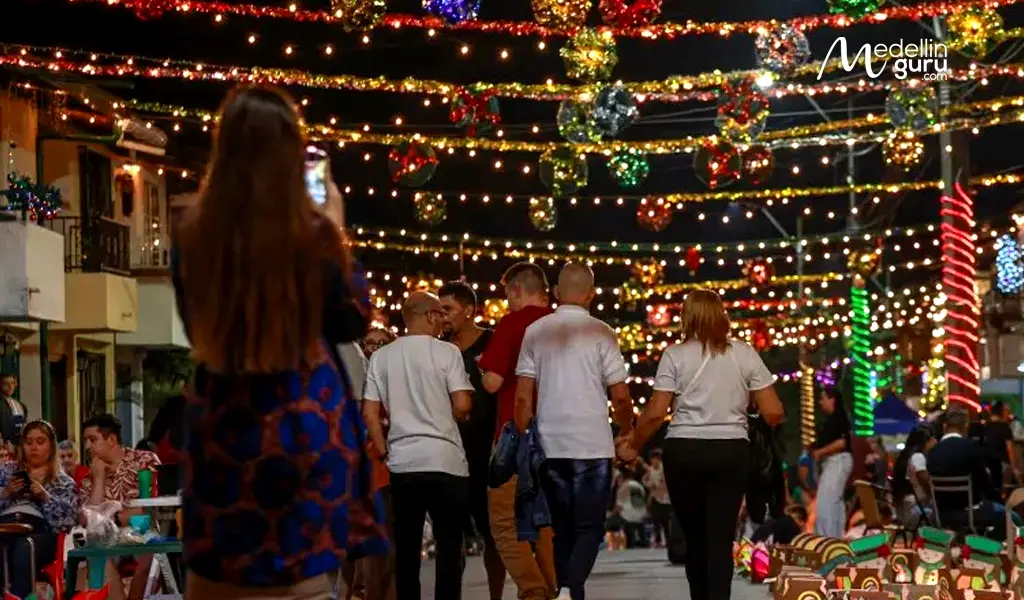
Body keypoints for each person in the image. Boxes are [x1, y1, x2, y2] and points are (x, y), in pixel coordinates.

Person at [173, 85, 384, 599]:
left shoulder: (193, 234)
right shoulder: (310, 233)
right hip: (302, 419)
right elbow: (352, 319)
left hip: (224, 422)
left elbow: (191, 319)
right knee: (303, 578)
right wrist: (336, 230)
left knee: (221, 576)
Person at [617, 289, 783, 600]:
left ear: (687, 317)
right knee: (720, 539)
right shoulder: (745, 353)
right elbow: (774, 411)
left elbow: (655, 413)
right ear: (722, 315)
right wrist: (742, 406)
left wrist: (634, 444)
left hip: (685, 451)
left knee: (695, 537)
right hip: (731, 451)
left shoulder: (674, 355)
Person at [513, 263, 635, 600]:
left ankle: (568, 592)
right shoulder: (602, 332)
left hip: (550, 446)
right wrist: (628, 430)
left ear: (555, 292)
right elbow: (621, 396)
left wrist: (523, 441)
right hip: (592, 445)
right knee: (590, 526)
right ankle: (569, 587)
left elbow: (523, 397)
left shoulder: (536, 331)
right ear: (591, 294)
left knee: (562, 531)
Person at [363, 291, 474, 600]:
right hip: (446, 460)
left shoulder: (382, 357)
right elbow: (463, 403)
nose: (443, 320)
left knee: (407, 550)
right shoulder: (447, 353)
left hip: (403, 463)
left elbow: (370, 413)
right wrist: (446, 417)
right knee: (450, 548)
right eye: (439, 314)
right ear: (428, 316)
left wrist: (384, 449)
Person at [478, 263, 556, 600]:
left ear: (517, 290)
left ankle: (533, 589)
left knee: (505, 524)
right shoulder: (562, 324)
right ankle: (555, 587)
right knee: (547, 523)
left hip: (516, 438)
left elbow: (493, 383)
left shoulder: (512, 325)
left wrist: (482, 368)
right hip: (560, 438)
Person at [438, 280, 505, 600]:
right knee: (451, 537)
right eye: (439, 310)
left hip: (486, 454)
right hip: (449, 454)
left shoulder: (493, 343)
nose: (443, 317)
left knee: (494, 536)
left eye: (448, 309)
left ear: (469, 311)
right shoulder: (438, 348)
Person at [80, 413, 161, 600]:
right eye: (85, 441)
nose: (87, 447)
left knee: (149, 555)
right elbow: (87, 520)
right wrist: (98, 479)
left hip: (145, 532)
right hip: (106, 539)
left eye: (92, 440)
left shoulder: (144, 461)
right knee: (96, 554)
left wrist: (114, 518)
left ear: (111, 439)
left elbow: (154, 507)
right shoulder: (88, 477)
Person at [0, 420, 78, 598]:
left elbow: (66, 522)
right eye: (28, 442)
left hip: (39, 532)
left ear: (51, 446)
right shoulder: (5, 472)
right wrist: (5, 493)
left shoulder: (63, 481)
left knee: (25, 547)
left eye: (40, 442)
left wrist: (45, 497)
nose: (33, 447)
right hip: (4, 526)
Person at [927, 409, 1005, 538]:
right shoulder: (971, 448)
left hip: (942, 514)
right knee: (1007, 515)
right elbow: (985, 485)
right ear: (965, 427)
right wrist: (1000, 501)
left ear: (945, 427)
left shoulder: (933, 452)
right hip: (971, 513)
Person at [811, 386, 853, 538]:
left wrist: (820, 452)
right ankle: (834, 537)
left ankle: (827, 539)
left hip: (837, 461)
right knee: (833, 502)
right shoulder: (832, 420)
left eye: (823, 398)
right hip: (831, 463)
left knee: (826, 503)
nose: (820, 402)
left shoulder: (839, 418)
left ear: (832, 399)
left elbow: (843, 442)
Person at [891, 425, 936, 527]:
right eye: (932, 439)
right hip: (916, 510)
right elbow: (926, 482)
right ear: (925, 441)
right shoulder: (918, 457)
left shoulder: (904, 457)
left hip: (903, 509)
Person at [984, 402, 1020, 493]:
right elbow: (1009, 449)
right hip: (1002, 466)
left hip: (987, 465)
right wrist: (1015, 467)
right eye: (1007, 410)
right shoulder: (1005, 427)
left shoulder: (986, 426)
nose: (1009, 413)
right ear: (1002, 412)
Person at [642, 450, 672, 548]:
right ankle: (658, 540)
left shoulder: (664, 469)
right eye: (653, 459)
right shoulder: (650, 470)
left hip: (665, 499)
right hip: (655, 498)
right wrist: (649, 483)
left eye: (657, 459)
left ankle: (668, 541)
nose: (654, 461)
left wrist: (659, 484)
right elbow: (647, 482)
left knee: (666, 521)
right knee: (655, 520)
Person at [614, 467, 648, 549]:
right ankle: (643, 540)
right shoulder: (639, 485)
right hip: (642, 514)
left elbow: (618, 507)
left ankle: (628, 542)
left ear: (621, 478)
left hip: (629, 516)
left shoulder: (622, 488)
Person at [0, 373, 26, 450]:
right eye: (5, 384)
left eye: (12, 383)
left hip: (19, 444)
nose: (10, 387)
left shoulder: (20, 405)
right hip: (4, 445)